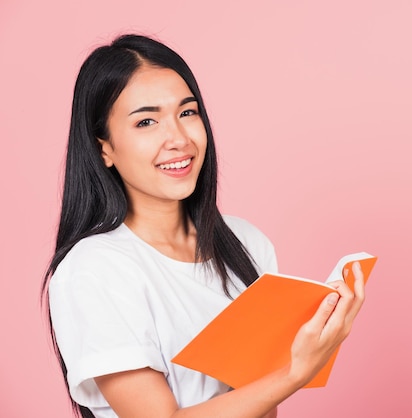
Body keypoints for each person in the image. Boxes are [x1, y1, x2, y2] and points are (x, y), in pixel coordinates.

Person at [41, 34, 365, 418]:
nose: (178, 138)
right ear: (103, 148)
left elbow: (262, 408)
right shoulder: (94, 269)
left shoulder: (246, 242)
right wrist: (296, 370)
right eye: (146, 121)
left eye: (187, 112)